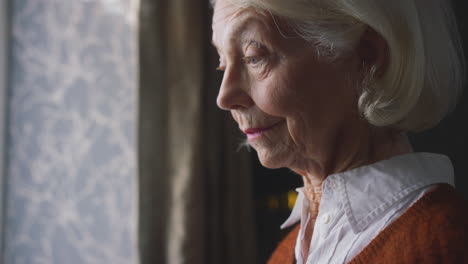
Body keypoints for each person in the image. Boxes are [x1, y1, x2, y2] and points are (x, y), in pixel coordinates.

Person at [211, 0, 467, 263]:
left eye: (254, 57)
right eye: (222, 64)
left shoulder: (444, 244)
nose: (224, 97)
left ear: (366, 54)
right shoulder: (286, 254)